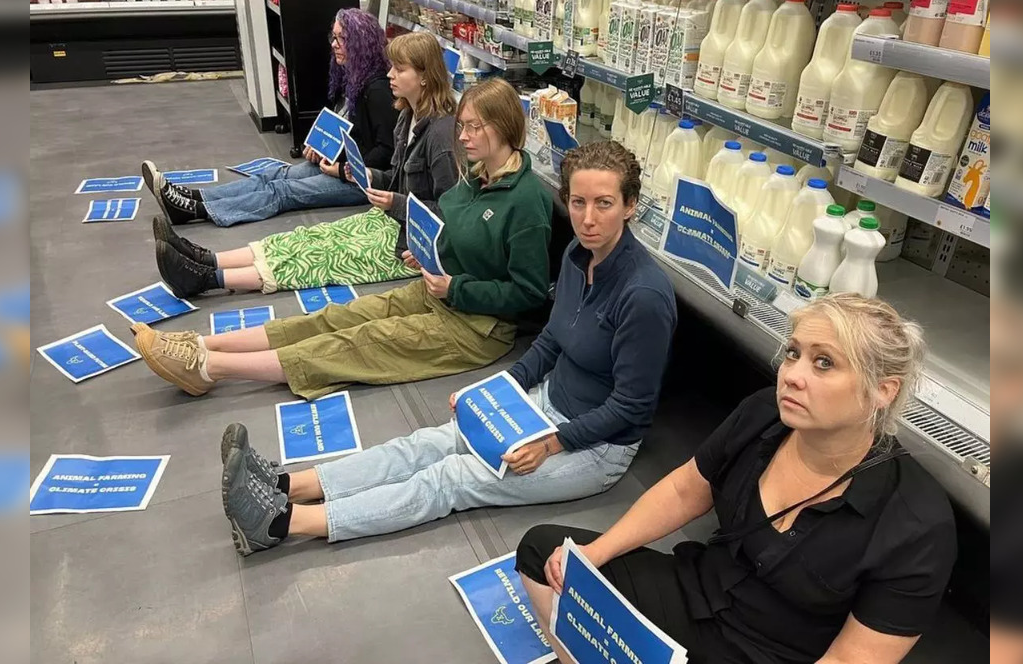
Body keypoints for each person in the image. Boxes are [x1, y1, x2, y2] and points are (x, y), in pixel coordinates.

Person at [215, 140, 678, 556]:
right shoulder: (578, 255)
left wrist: (553, 442)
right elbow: (552, 340)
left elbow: (631, 407)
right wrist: (498, 387)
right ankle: (287, 484)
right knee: (425, 443)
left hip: (594, 448)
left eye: (604, 204)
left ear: (630, 206)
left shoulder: (644, 296)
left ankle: (279, 523)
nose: (588, 218)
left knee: (452, 479)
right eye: (578, 203)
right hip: (543, 405)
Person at [516, 294, 958, 664]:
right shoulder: (763, 414)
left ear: (884, 389)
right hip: (697, 593)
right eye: (794, 353)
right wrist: (596, 552)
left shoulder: (917, 523)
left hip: (773, 652)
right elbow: (685, 490)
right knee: (544, 552)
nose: (793, 376)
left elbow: (850, 659)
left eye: (824, 363)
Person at [133, 76, 552, 401]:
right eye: (461, 126)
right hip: (437, 293)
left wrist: (456, 286)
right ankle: (203, 343)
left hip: (479, 327)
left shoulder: (526, 201)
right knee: (335, 317)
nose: (462, 137)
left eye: (474, 128)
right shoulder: (475, 177)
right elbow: (454, 232)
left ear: (504, 128)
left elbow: (528, 293)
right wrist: (429, 253)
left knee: (355, 343)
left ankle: (208, 368)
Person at [149, 30, 460, 298]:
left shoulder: (441, 135)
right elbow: (397, 177)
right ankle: (206, 258)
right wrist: (372, 176)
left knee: (316, 256)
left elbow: (451, 211)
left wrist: (397, 201)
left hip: (411, 248)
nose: (390, 74)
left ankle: (205, 278)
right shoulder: (407, 115)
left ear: (424, 76)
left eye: (399, 69)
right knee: (307, 237)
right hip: (391, 222)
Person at [142, 8, 397, 228]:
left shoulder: (376, 90)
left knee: (282, 191)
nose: (334, 44)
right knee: (273, 174)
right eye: (334, 36)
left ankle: (199, 211)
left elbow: (386, 151)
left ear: (360, 44)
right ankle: (194, 197)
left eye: (342, 38)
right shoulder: (349, 77)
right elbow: (342, 128)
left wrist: (342, 169)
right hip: (339, 165)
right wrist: (320, 149)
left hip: (364, 181)